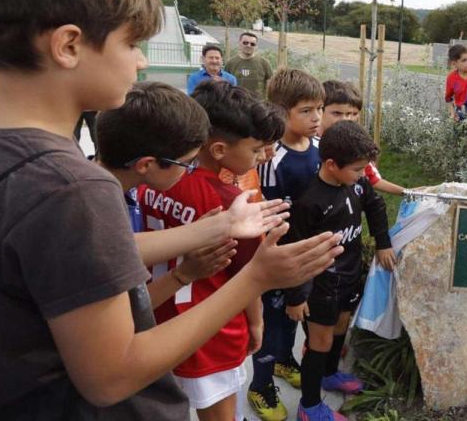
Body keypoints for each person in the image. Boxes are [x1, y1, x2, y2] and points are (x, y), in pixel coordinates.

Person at [0, 0, 341, 419]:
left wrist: (218, 226)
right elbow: (112, 375)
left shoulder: (21, 164)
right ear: (68, 45)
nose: (140, 60)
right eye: (131, 42)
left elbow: (88, 256)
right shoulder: (73, 187)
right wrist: (256, 279)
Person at [138, 80, 284, 421]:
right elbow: (249, 276)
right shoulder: (232, 204)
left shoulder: (154, 179)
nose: (262, 156)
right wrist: (257, 324)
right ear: (219, 150)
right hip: (211, 333)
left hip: (158, 320)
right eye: (255, 148)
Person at [96, 81, 290, 309]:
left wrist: (221, 225)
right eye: (187, 163)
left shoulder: (128, 190)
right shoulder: (94, 217)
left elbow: (123, 248)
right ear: (146, 164)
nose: (190, 171)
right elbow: (111, 255)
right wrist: (182, 275)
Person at [285, 120, 395, 421]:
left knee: (340, 328)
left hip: (349, 273)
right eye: (358, 169)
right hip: (321, 284)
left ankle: (330, 374)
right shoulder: (309, 201)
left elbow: (375, 206)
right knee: (319, 342)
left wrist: (383, 243)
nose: (364, 175)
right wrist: (296, 297)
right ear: (332, 164)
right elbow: (295, 251)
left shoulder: (357, 184)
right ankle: (308, 406)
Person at [250, 68, 326, 420]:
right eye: (307, 111)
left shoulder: (318, 147)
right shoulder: (272, 159)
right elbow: (271, 219)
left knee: (295, 316)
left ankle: (284, 361)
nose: (317, 118)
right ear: (282, 112)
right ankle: (261, 385)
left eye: (319, 109)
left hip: (307, 255)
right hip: (282, 257)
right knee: (272, 322)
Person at [321, 79, 406, 195]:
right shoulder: (308, 142)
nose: (346, 119)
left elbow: (374, 179)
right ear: (319, 109)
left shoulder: (355, 143)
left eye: (353, 114)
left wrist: (407, 192)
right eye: (337, 113)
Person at [225, 31, 275, 99]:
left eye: (252, 44)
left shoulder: (264, 63)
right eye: (245, 43)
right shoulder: (230, 63)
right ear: (239, 43)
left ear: (256, 46)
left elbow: (271, 86)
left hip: (258, 105)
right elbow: (225, 86)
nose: (249, 45)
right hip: (236, 104)